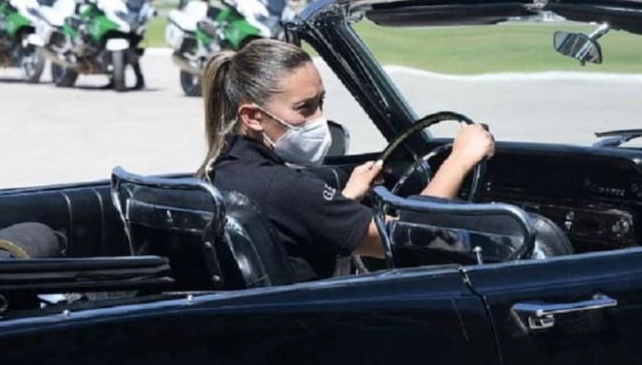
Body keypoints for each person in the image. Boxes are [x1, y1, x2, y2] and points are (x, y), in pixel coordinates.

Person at [196, 39, 495, 283]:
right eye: (304, 108)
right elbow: (413, 237)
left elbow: (298, 221)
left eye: (321, 102)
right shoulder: (285, 187)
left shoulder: (223, 171)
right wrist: (460, 159)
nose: (319, 119)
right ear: (252, 116)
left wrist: (346, 200)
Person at [98, 0, 145, 90]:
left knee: (132, 50)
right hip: (114, 17)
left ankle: (139, 79)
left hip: (123, 18)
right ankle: (114, 79)